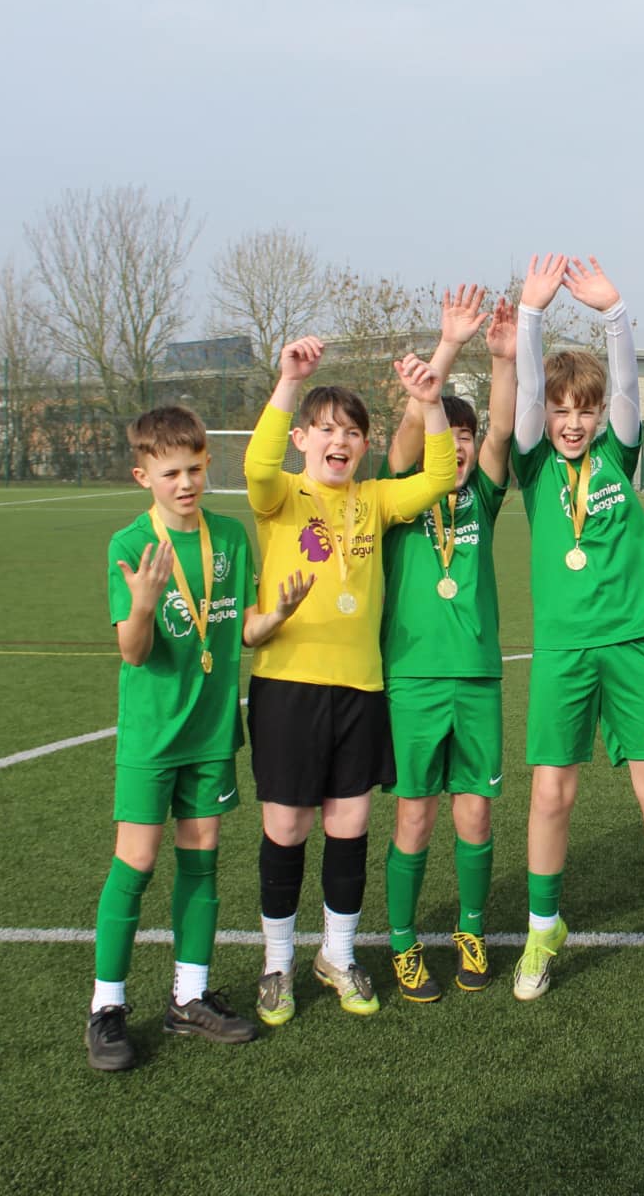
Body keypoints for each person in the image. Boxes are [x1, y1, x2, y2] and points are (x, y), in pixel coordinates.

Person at [88, 404, 311, 1071]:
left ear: (207, 463)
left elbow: (241, 628)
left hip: (213, 730)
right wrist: (145, 604)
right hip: (154, 736)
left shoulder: (232, 537)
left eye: (194, 468)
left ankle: (189, 998)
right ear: (142, 476)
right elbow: (132, 652)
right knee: (136, 860)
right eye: (170, 473)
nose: (185, 483)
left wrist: (277, 616)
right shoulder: (130, 547)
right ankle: (106, 1007)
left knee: (203, 854)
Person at [243, 340, 457, 1025]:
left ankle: (337, 954)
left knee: (351, 824)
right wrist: (288, 381)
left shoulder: (374, 500)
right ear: (304, 439)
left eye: (353, 432)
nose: (341, 440)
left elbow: (441, 475)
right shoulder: (281, 497)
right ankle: (276, 964)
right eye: (328, 429)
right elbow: (255, 464)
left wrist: (428, 402)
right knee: (286, 826)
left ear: (364, 446)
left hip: (360, 691)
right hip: (288, 686)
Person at [508, 255, 644, 1002]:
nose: (574, 422)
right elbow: (522, 391)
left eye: (583, 409)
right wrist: (531, 314)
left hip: (628, 642)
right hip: (563, 649)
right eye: (561, 411)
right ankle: (544, 926)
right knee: (551, 794)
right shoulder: (531, 465)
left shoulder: (617, 450)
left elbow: (627, 391)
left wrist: (615, 315)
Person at [378, 287, 517, 1001]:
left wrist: (499, 356)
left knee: (475, 810)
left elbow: (499, 431)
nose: (458, 445)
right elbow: (408, 432)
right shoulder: (401, 495)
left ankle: (469, 929)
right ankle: (403, 942)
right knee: (413, 813)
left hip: (478, 679)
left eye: (462, 438)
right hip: (413, 678)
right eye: (448, 436)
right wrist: (446, 348)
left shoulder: (482, 500)